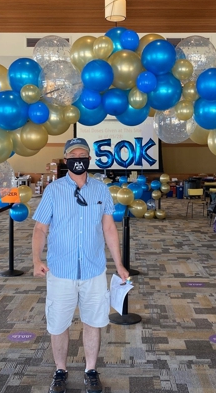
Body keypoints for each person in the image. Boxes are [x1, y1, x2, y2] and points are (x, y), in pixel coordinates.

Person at [32, 137, 129, 393]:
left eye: (82, 154)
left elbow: (109, 228)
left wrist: (118, 264)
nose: (78, 158)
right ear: (66, 160)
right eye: (73, 154)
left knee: (93, 322)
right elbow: (40, 228)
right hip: (60, 270)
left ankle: (91, 370)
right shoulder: (53, 190)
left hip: (93, 269)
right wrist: (36, 259)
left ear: (88, 159)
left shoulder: (101, 190)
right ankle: (60, 370)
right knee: (58, 324)